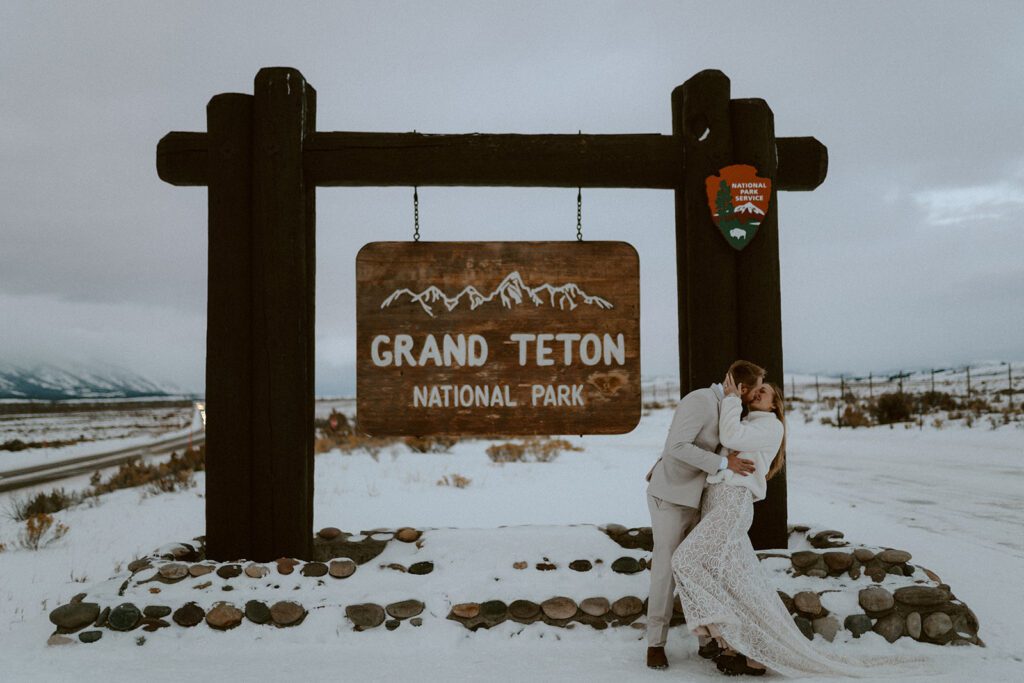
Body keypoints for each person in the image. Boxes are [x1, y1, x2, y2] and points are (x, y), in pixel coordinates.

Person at [671, 375, 925, 677]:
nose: (756, 393)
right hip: (718, 502)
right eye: (756, 389)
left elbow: (730, 437)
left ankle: (725, 632)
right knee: (733, 581)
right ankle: (748, 653)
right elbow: (720, 445)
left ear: (775, 404)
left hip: (731, 505)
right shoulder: (747, 421)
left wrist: (729, 398)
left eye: (763, 392)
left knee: (684, 559)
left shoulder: (771, 426)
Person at [644, 360, 766, 670]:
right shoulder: (699, 400)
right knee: (667, 567)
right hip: (671, 496)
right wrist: (724, 464)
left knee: (700, 568)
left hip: (701, 498)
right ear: (741, 388)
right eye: (754, 394)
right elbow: (678, 446)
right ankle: (655, 644)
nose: (755, 400)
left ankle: (707, 640)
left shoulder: (730, 407)